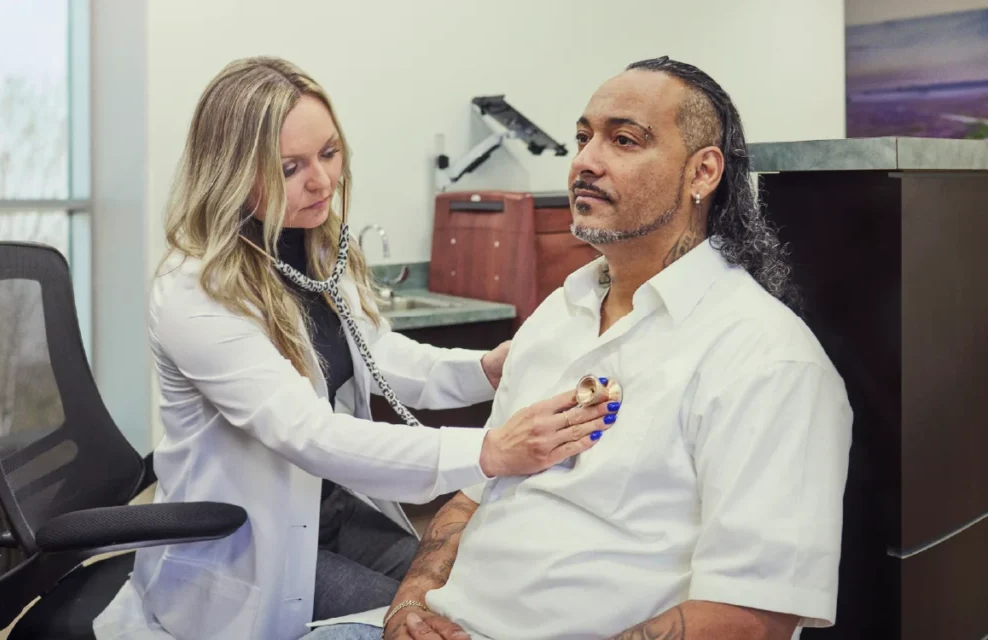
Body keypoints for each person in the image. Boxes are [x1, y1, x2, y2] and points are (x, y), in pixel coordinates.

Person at [305, 56, 853, 640]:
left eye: (623, 140)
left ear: (703, 173)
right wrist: (408, 605)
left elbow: (749, 617)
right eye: (583, 138)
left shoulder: (768, 360)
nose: (586, 162)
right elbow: (475, 495)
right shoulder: (558, 315)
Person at [92, 57, 618, 640]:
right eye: (289, 167)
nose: (321, 180)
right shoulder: (196, 290)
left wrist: (485, 371)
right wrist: (493, 451)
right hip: (252, 551)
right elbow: (310, 434)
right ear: (232, 172)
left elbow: (378, 356)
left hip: (334, 514)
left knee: (478, 590)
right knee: (433, 624)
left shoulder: (313, 249)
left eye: (329, 153)